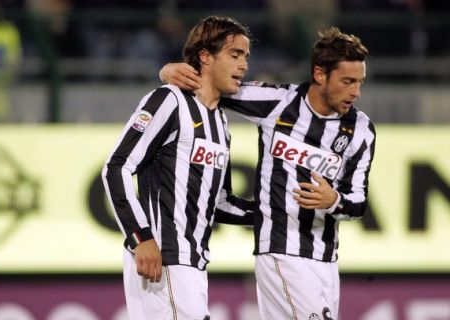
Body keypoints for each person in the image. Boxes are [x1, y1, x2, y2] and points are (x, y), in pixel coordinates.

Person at [160, 27, 376, 320]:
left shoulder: (362, 130)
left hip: (326, 260)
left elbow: (359, 202)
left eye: (360, 82)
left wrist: (333, 200)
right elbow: (215, 86)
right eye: (348, 81)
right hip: (282, 253)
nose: (356, 92)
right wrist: (169, 71)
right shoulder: (278, 102)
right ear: (320, 75)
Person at [101, 15, 254, 320]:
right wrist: (140, 237)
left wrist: (273, 213)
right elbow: (116, 167)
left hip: (193, 263)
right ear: (205, 57)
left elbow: (220, 202)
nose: (244, 65)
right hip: (163, 259)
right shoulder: (168, 100)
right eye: (235, 55)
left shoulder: (221, 123)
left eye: (246, 57)